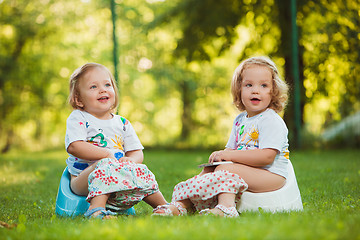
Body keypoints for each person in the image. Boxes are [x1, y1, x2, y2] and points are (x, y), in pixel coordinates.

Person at [153, 56, 290, 217]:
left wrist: (228, 157)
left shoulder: (270, 120)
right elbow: (230, 150)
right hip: (249, 171)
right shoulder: (240, 120)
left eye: (264, 85)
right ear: (239, 89)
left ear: (273, 91)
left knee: (226, 168)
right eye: (248, 85)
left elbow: (266, 157)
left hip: (271, 175)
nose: (255, 90)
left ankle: (227, 208)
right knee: (210, 169)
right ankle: (181, 205)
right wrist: (221, 157)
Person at [65, 62, 167, 219]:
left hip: (118, 175)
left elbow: (136, 153)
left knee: (142, 170)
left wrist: (131, 161)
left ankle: (163, 206)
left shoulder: (122, 123)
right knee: (105, 164)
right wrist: (106, 155)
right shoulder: (79, 117)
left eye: (107, 84)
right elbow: (74, 146)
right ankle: (96, 210)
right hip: (84, 180)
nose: (103, 89)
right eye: (93, 87)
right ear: (79, 99)